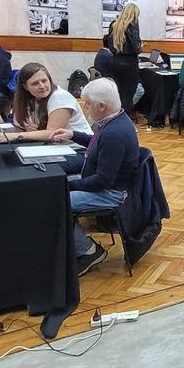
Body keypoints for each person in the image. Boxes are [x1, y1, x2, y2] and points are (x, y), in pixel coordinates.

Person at [50, 78, 139, 275]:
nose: (85, 107)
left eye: (88, 104)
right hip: (104, 185)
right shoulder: (115, 119)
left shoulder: (114, 134)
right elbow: (97, 144)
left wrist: (68, 186)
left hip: (111, 193)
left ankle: (89, 251)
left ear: (101, 106)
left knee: (54, 202)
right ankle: (71, 245)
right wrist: (73, 135)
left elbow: (103, 181)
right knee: (51, 187)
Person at [0, 63, 90, 144]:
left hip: (76, 147)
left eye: (44, 81)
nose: (42, 86)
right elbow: (16, 120)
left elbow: (52, 134)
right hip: (53, 146)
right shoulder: (29, 97)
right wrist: (25, 125)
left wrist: (14, 136)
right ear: (25, 87)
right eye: (35, 83)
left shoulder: (60, 97)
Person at [107, 4, 142, 114]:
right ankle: (125, 120)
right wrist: (140, 46)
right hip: (129, 64)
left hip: (115, 62)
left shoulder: (114, 25)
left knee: (118, 94)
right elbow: (136, 48)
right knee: (128, 96)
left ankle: (115, 118)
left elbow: (111, 47)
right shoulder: (132, 27)